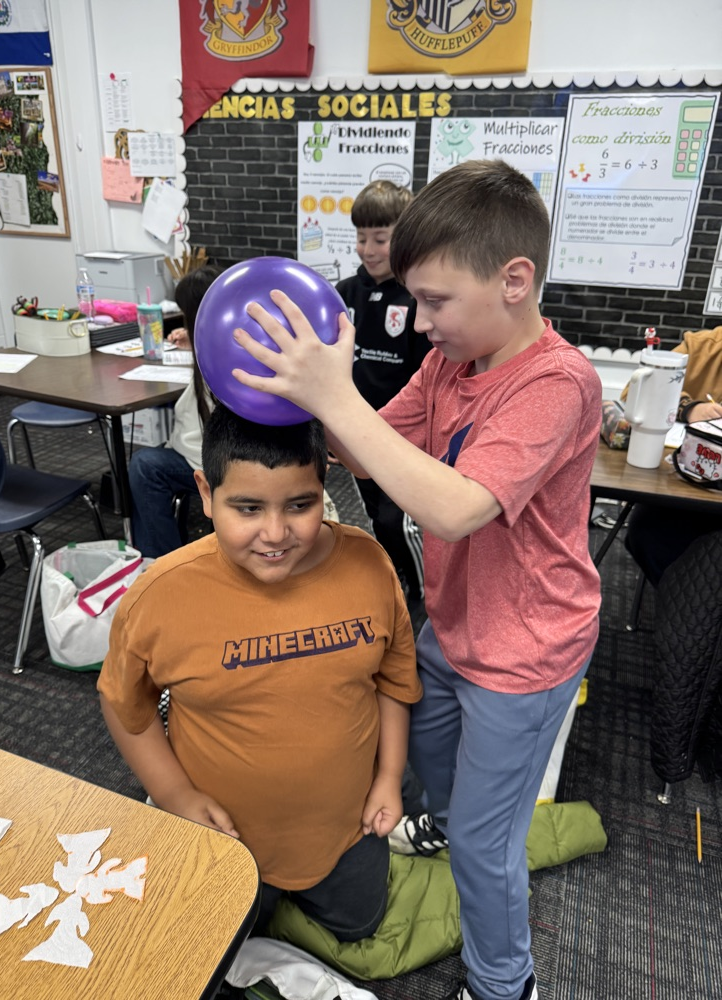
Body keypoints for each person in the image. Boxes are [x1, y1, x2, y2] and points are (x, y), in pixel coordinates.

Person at [230, 160, 603, 1000]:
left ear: (515, 281)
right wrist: (294, 401)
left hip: (528, 653)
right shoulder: (448, 366)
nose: (419, 319)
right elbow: (367, 448)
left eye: (435, 301)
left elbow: (458, 507)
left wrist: (337, 396)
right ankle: (441, 821)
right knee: (427, 762)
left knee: (484, 842)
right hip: (455, 625)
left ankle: (506, 982)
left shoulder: (557, 382)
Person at [98, 403, 421, 939]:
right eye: (247, 508)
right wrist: (175, 795)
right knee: (209, 943)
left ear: (325, 488)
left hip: (347, 826)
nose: (275, 533)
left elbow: (394, 680)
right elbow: (121, 703)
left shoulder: (369, 565)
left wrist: (389, 777)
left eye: (300, 504)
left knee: (361, 926)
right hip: (224, 830)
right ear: (205, 493)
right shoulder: (161, 597)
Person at [336, 180, 431, 603]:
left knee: (399, 521)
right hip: (356, 435)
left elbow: (427, 377)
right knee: (374, 516)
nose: (368, 249)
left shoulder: (418, 300)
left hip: (403, 438)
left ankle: (423, 597)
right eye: (361, 238)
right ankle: (396, 581)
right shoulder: (344, 295)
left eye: (380, 238)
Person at [128, 265, 220, 558]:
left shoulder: (214, 361)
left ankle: (163, 559)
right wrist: (194, 340)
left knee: (145, 466)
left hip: (212, 462)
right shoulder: (226, 343)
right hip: (219, 458)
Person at [622, 325, 722, 584]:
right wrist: (690, 408)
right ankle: (688, 611)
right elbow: (633, 393)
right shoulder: (703, 347)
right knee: (647, 531)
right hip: (693, 490)